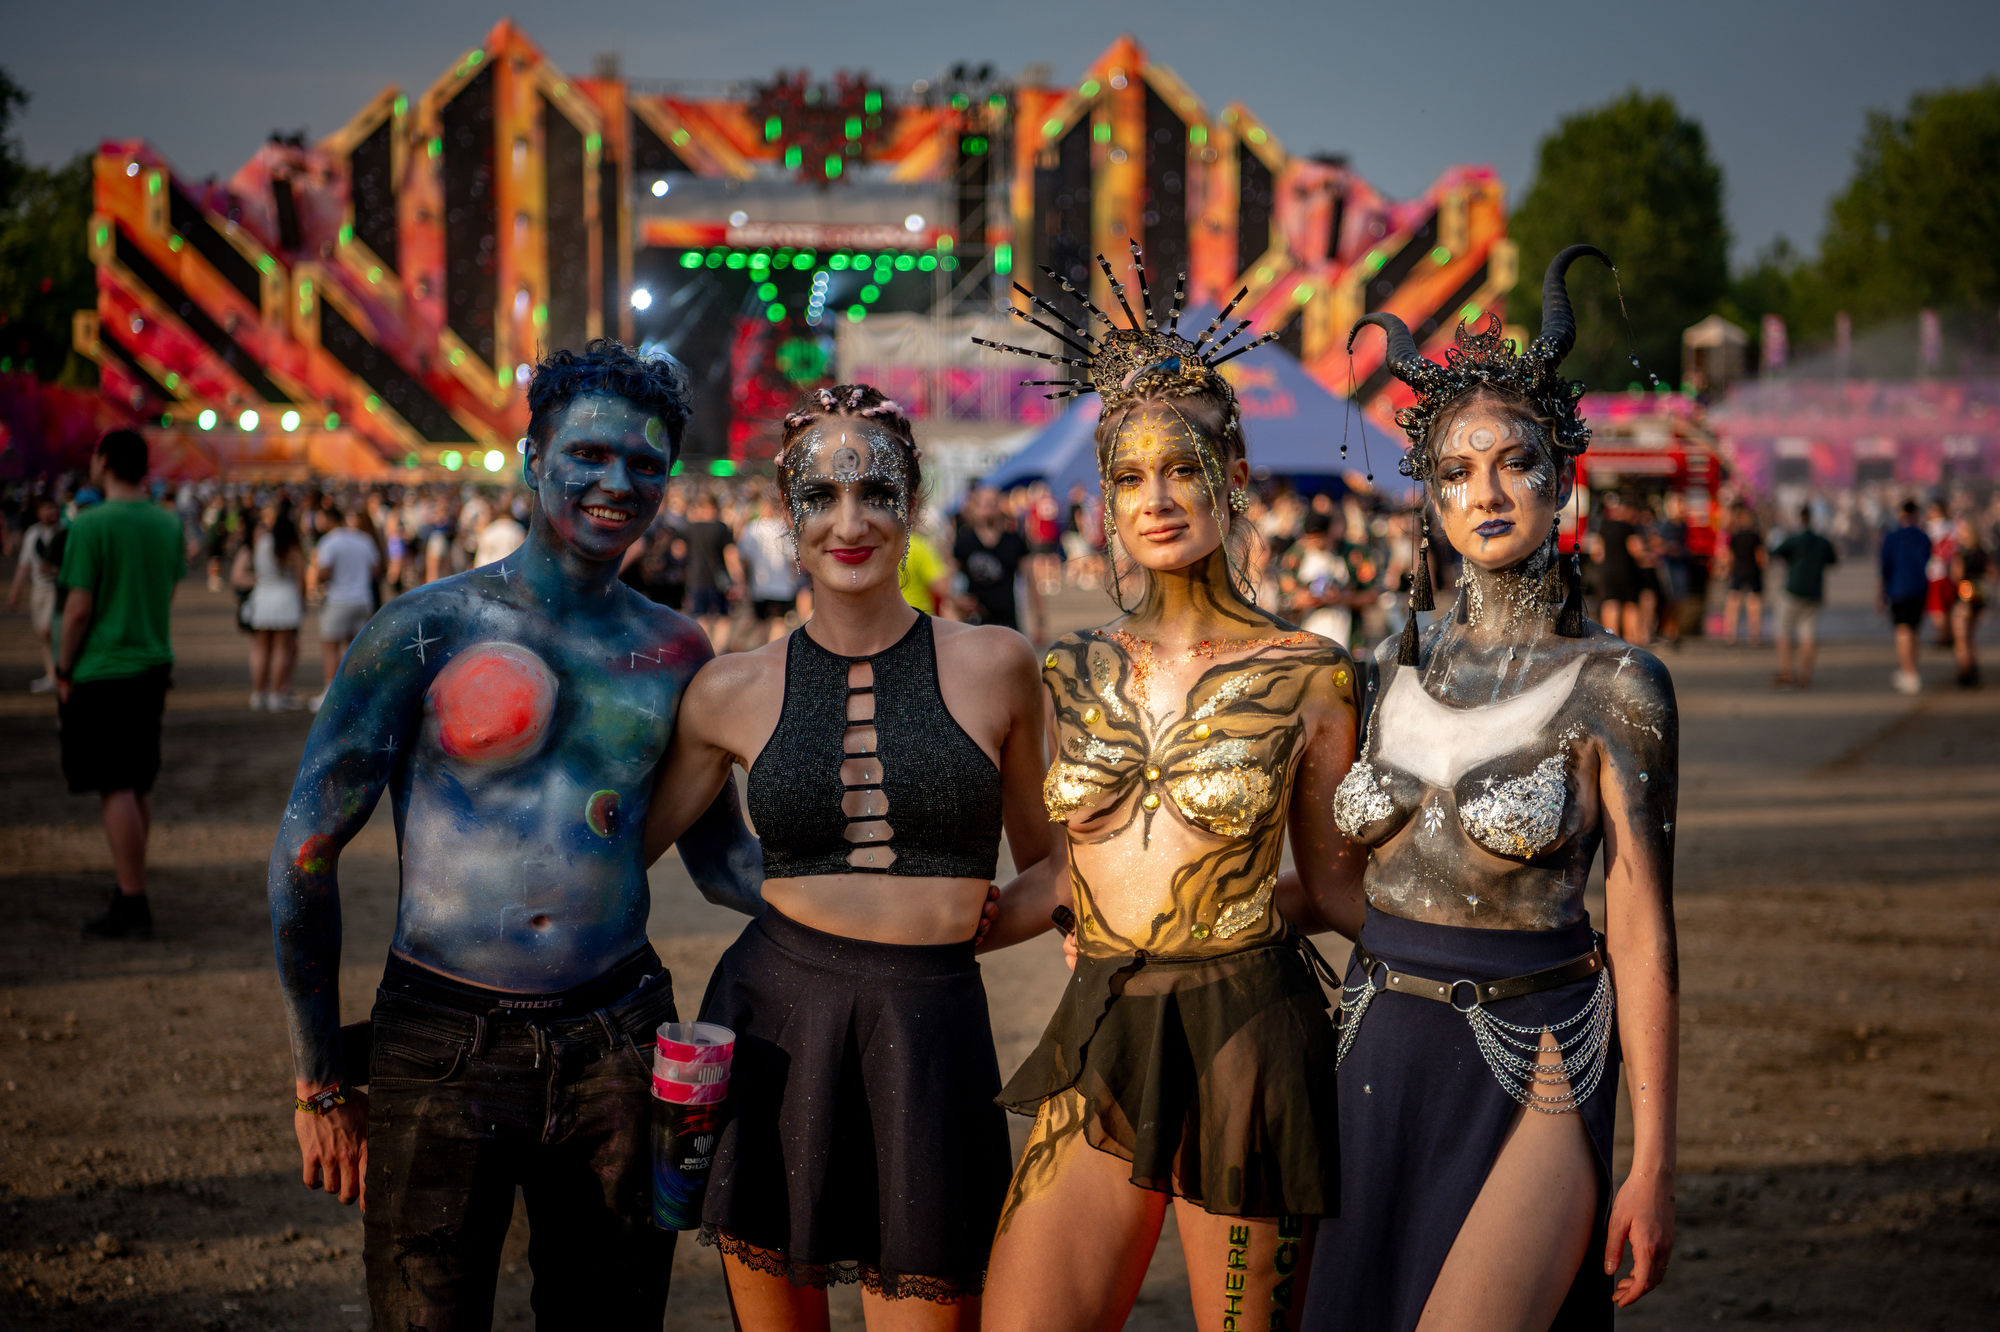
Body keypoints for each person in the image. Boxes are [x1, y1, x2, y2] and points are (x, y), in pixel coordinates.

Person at [266, 341, 762, 1330]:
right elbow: (303, 856)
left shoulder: (675, 650)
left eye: (645, 463)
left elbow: (723, 863)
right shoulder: (425, 629)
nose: (617, 482)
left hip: (620, 1041)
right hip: (441, 1040)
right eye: (588, 454)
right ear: (534, 459)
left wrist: (884, 903)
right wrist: (319, 1080)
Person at [975, 250, 1361, 1332]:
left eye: (1182, 469)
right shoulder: (1071, 668)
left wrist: (1492, 961)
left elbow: (1335, 889)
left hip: (1250, 1036)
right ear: (1104, 498)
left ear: (1231, 477)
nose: (1157, 499)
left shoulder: (1310, 673)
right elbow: (1070, 871)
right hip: (1101, 1025)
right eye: (1129, 477)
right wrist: (932, 925)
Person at [1302, 248, 1679, 1329]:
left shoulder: (1619, 683)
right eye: (1458, 472)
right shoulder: (1384, 666)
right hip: (1376, 1046)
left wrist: (1654, 1159)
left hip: (1540, 1047)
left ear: (1561, 474)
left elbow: (1641, 927)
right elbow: (1340, 882)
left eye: (1517, 462)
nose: (1488, 492)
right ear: (1428, 492)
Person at [644, 384, 1053, 1327]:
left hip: (931, 1031)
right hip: (773, 1024)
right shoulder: (727, 690)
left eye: (876, 492)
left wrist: (975, 926)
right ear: (787, 519)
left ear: (913, 504)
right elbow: (622, 855)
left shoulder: (998, 664)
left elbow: (1055, 864)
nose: (850, 522)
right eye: (820, 498)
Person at [55, 430, 185, 939]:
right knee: (136, 782)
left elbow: (78, 609)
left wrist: (62, 668)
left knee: (116, 785)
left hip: (103, 668)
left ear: (104, 460)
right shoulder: (167, 522)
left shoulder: (90, 524)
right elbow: (167, 590)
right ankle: (131, 883)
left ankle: (132, 899)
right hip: (152, 663)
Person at [307, 506, 381, 710]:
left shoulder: (329, 541)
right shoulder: (364, 539)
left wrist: (318, 577)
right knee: (356, 650)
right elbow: (375, 569)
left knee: (331, 649)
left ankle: (330, 695)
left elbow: (324, 572)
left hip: (338, 600)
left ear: (330, 520)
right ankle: (357, 692)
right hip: (363, 600)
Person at [234, 499, 305, 709]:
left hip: (263, 595)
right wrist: (302, 602)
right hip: (285, 597)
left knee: (260, 648)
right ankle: (277, 693)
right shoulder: (291, 549)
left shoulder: (261, 542)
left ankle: (258, 693)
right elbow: (301, 580)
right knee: (282, 649)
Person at [954, 484, 1040, 638]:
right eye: (984, 503)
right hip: (974, 625)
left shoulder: (1014, 541)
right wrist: (958, 601)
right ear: (974, 508)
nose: (989, 508)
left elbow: (1031, 582)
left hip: (1009, 625)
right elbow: (951, 582)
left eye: (993, 503)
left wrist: (1039, 622)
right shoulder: (964, 541)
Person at [1771, 505, 1838, 689]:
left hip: (1792, 591)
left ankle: (1786, 671)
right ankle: (1805, 675)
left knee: (1783, 631)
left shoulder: (1794, 540)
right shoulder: (1822, 542)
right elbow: (1833, 560)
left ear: (1800, 519)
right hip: (1814, 593)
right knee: (1808, 635)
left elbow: (1774, 553)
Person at [9, 494, 63, 691]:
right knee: (43, 634)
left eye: (53, 508)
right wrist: (15, 590)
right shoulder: (33, 534)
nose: (50, 513)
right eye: (46, 509)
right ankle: (51, 674)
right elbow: (24, 565)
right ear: (38, 512)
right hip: (38, 590)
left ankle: (59, 673)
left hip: (58, 589)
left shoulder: (65, 532)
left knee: (48, 630)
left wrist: (55, 571)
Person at [1879, 500, 1932, 696]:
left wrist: (1881, 593)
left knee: (1902, 632)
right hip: (1920, 589)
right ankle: (1912, 670)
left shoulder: (1892, 538)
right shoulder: (1923, 538)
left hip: (1898, 589)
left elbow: (1885, 567)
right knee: (1914, 632)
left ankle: (1909, 673)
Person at [735, 489, 802, 645]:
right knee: (778, 621)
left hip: (759, 583)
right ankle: (774, 651)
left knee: (761, 621)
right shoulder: (784, 529)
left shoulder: (752, 528)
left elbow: (743, 557)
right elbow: (793, 557)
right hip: (782, 584)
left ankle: (762, 651)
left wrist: (744, 580)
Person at [681, 491, 739, 651]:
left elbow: (680, 552)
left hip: (696, 579)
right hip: (719, 580)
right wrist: (737, 579)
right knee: (723, 618)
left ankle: (704, 650)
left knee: (700, 617)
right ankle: (718, 650)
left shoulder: (690, 528)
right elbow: (730, 555)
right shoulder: (721, 528)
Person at [1590, 492, 1644, 643]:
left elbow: (1597, 554)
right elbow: (1636, 549)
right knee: (1630, 605)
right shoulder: (1628, 527)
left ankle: (1612, 639)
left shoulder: (1603, 527)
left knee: (1610, 604)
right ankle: (1630, 640)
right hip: (1627, 571)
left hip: (1607, 571)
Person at [1718, 502, 1767, 647]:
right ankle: (1754, 636)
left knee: (1733, 603)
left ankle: (1730, 635)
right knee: (1754, 604)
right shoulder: (1756, 536)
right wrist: (1763, 571)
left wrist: (1725, 571)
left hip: (1738, 571)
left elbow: (1730, 557)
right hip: (1753, 572)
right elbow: (1760, 557)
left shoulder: (1734, 536)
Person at [1948, 515, 1988, 688]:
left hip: (1964, 599)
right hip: (1979, 598)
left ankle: (1965, 673)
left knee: (1961, 639)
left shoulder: (1962, 554)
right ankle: (1973, 669)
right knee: (1970, 638)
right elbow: (1991, 574)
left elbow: (1956, 576)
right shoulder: (1982, 552)